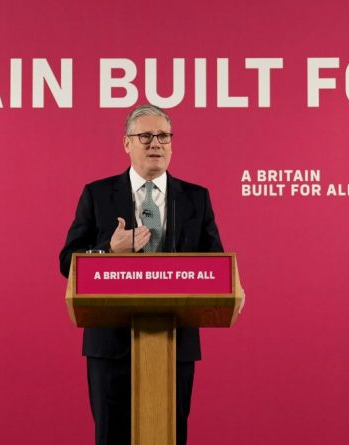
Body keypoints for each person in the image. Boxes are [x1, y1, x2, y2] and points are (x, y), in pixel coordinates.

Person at [59, 104, 224, 445]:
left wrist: (232, 283)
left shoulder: (196, 198)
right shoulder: (98, 194)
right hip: (110, 345)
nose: (155, 143)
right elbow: (66, 262)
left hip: (175, 342)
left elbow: (216, 264)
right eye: (145, 136)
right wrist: (108, 251)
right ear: (126, 143)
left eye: (163, 136)